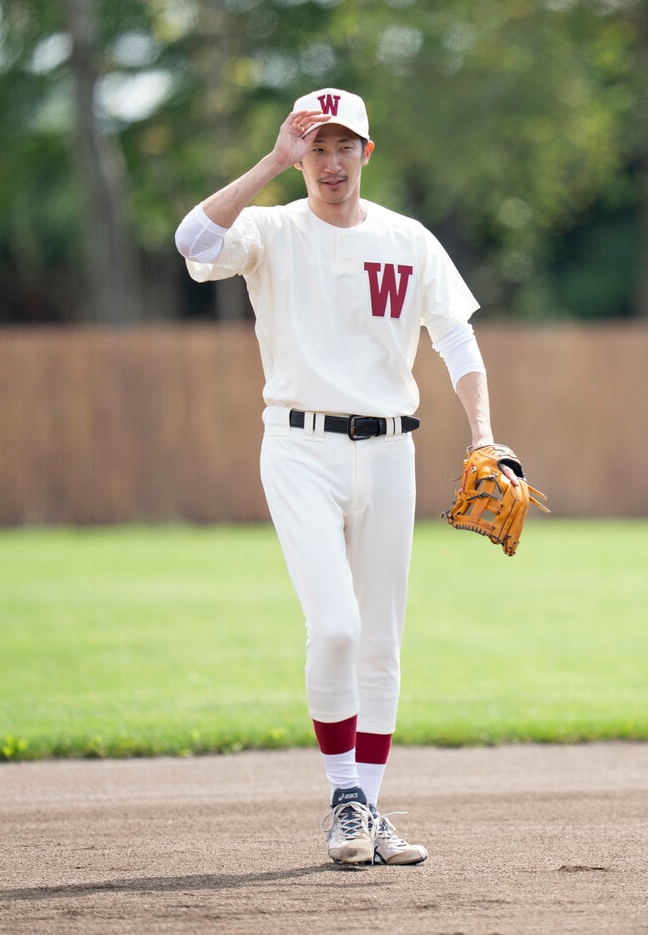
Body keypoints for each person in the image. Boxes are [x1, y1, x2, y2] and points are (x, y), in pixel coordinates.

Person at [174, 87, 510, 867]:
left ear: (367, 152)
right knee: (336, 628)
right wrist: (269, 161)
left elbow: (455, 339)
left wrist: (486, 437)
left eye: (342, 145)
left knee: (381, 642)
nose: (329, 161)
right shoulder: (268, 231)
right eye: (315, 146)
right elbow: (193, 239)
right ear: (301, 155)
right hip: (299, 448)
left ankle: (366, 807)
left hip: (392, 450)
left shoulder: (408, 238)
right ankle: (346, 796)